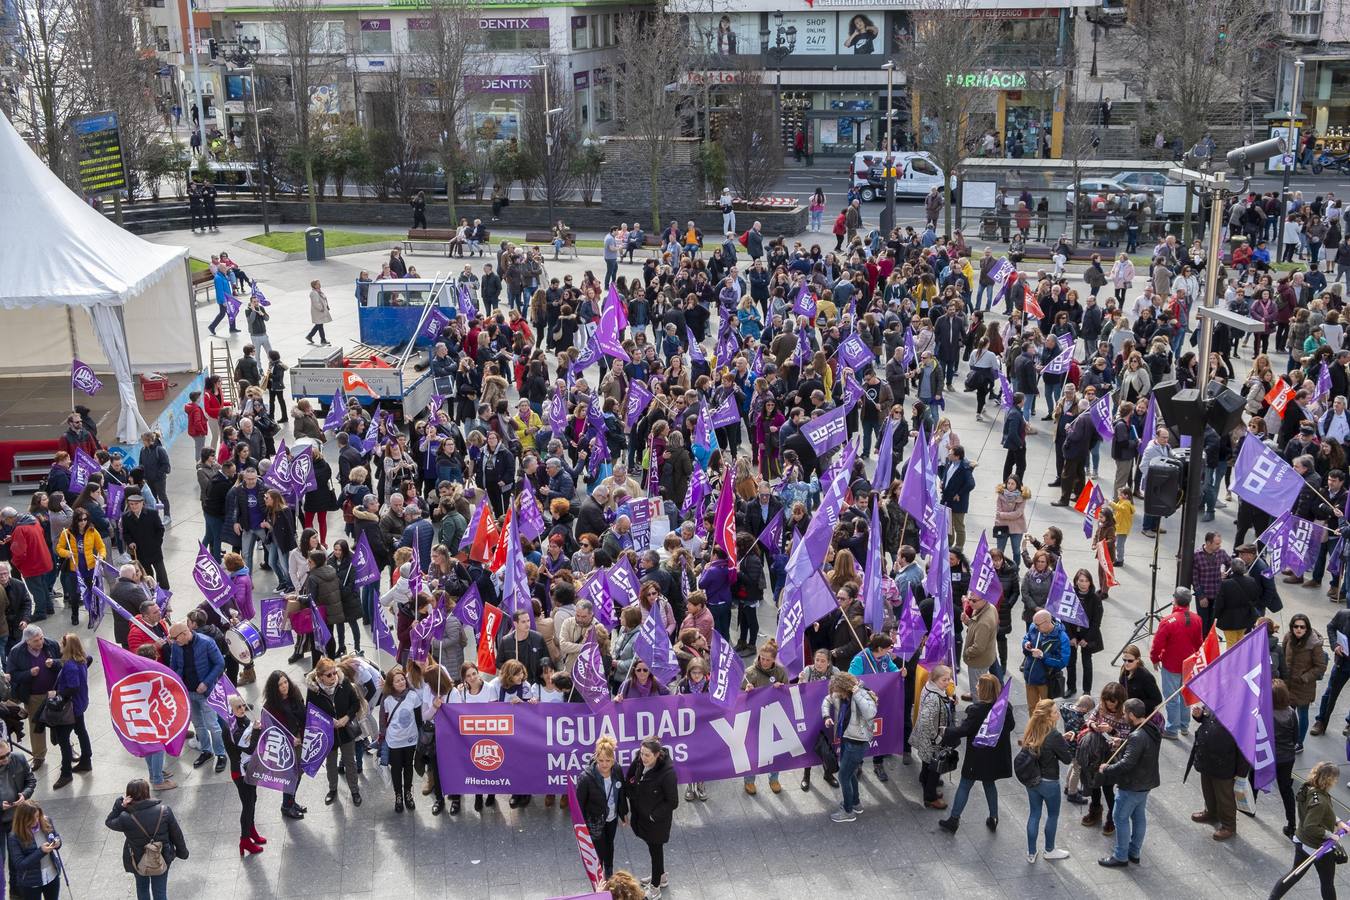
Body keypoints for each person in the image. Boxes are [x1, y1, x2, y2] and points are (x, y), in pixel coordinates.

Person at [938, 673, 1014, 834]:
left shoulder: (976, 710)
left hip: (977, 757)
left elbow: (964, 730)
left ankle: (954, 820)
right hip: (996, 756)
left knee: (965, 785)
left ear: (984, 690)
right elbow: (1011, 727)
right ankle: (994, 817)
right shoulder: (1005, 708)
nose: (977, 688)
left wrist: (946, 731)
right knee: (989, 783)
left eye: (979, 686)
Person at [1096, 697, 1161, 868]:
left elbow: (1127, 763)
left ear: (1132, 714)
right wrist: (1124, 743)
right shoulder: (1151, 728)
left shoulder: (1137, 735)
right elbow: (1140, 752)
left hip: (1132, 785)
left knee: (1120, 817)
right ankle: (1134, 852)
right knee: (1139, 817)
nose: (1123, 715)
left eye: (1125, 712)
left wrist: (1106, 768)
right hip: (1146, 783)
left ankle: (1120, 856)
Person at [1268, 760, 1348, 900]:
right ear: (1329, 780)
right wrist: (1330, 835)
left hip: (1302, 840)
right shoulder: (1321, 801)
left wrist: (1338, 822)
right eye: (1335, 778)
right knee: (1327, 883)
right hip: (1319, 847)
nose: (1336, 781)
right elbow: (1312, 825)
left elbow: (1319, 813)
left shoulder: (1308, 788)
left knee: (1294, 874)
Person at [105, 778, 189, 900]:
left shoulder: (125, 817)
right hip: (161, 856)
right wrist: (182, 852)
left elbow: (109, 822)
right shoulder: (164, 811)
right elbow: (176, 834)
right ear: (147, 792)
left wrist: (120, 805)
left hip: (137, 858)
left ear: (129, 795)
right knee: (160, 891)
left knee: (142, 887)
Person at [166, 622, 227, 774]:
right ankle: (206, 751)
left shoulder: (207, 642)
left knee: (213, 725)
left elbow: (220, 663)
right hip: (188, 693)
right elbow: (173, 666)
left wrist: (206, 683)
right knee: (198, 724)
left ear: (185, 634)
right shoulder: (176, 646)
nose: (173, 641)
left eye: (175, 638)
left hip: (205, 693)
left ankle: (221, 754)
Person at [1020, 698, 1075, 863]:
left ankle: (1031, 852)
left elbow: (1044, 745)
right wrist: (1066, 743)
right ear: (1048, 717)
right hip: (1049, 782)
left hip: (1032, 780)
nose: (1058, 714)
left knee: (1034, 814)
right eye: (1055, 712)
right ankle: (1049, 850)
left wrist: (1061, 740)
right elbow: (1066, 759)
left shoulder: (1031, 729)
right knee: (1052, 815)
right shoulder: (1054, 735)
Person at [623, 736, 678, 899]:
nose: (643, 758)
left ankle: (655, 887)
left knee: (655, 850)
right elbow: (631, 777)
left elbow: (673, 801)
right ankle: (660, 876)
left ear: (657, 755)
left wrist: (654, 816)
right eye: (642, 753)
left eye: (647, 755)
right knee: (654, 849)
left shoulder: (667, 774)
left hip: (656, 822)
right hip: (642, 816)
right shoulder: (640, 761)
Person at [306, 656, 362, 808]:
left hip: (346, 730)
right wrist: (327, 722)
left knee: (350, 761)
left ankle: (355, 791)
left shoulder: (343, 683)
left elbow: (355, 704)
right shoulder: (313, 691)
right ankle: (332, 789)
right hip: (326, 733)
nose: (333, 677)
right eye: (329, 675)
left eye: (335, 672)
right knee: (331, 763)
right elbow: (310, 713)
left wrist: (346, 718)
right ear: (319, 677)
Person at [1149, 587, 1203, 739]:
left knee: (1171, 698)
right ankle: (1184, 726)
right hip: (1189, 664)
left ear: (1175, 600)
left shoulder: (1168, 621)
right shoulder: (1197, 619)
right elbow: (1199, 642)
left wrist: (1155, 658)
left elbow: (1157, 644)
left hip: (1171, 664)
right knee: (1185, 695)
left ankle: (1172, 729)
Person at [575, 735, 626, 887]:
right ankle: (600, 878)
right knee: (599, 850)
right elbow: (579, 804)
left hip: (612, 818)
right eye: (601, 760)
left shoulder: (616, 770)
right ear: (596, 757)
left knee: (609, 844)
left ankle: (609, 872)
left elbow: (621, 793)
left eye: (608, 761)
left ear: (613, 760)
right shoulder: (586, 778)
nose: (605, 764)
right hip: (595, 821)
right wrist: (581, 828)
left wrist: (623, 814)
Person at [7, 625, 60, 771]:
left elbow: (64, 662)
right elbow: (12, 675)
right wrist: (29, 673)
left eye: (41, 638)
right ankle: (38, 756)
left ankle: (68, 748)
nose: (40, 642)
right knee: (36, 727)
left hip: (54, 692)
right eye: (36, 640)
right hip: (33, 696)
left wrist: (54, 663)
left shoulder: (51, 644)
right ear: (27, 641)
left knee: (62, 723)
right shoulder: (16, 652)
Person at [1188, 703, 1243, 842]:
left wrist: (1241, 771)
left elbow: (1245, 744)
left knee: (1224, 795)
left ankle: (1229, 825)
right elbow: (1206, 719)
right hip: (1207, 757)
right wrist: (1199, 716)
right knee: (1208, 788)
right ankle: (1211, 812)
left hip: (1224, 761)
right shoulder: (1214, 700)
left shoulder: (1240, 709)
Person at [222, 694, 267, 858]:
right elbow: (248, 747)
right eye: (238, 707)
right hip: (240, 772)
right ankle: (244, 840)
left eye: (243, 705)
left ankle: (251, 830)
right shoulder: (230, 729)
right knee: (247, 804)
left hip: (250, 768)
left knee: (252, 800)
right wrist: (256, 731)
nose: (242, 709)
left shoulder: (245, 720)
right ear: (231, 710)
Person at [49, 632, 92, 790]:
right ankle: (86, 760)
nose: (60, 646)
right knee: (81, 731)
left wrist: (57, 694)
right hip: (80, 704)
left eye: (62, 644)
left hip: (70, 708)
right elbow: (90, 659)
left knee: (63, 740)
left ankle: (65, 773)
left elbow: (73, 687)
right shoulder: (82, 660)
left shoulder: (70, 665)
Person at [381, 665, 424, 814]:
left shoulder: (413, 696)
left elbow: (419, 719)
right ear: (391, 684)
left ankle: (408, 794)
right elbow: (384, 719)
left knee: (408, 767)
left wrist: (421, 738)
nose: (401, 682)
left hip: (410, 739)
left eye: (402, 679)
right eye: (397, 681)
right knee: (396, 768)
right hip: (394, 741)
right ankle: (398, 795)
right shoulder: (387, 699)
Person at [912, 663, 956, 809]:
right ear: (935, 679)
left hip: (927, 739)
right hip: (932, 741)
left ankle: (927, 787)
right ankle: (930, 798)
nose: (948, 682)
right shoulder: (933, 697)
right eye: (944, 680)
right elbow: (926, 721)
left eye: (949, 679)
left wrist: (948, 701)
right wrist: (937, 738)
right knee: (934, 769)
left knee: (927, 765)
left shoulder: (932, 687)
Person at [1283, 613, 1327, 752]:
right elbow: (1283, 654)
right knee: (1287, 715)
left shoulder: (1314, 644)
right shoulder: (1288, 637)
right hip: (1288, 684)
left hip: (1303, 686)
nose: (1299, 629)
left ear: (1307, 628)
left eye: (1302, 626)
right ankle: (1288, 739)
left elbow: (1320, 667)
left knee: (1302, 715)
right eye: (1296, 626)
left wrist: (1304, 677)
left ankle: (1299, 742)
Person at [8, 799, 61, 899]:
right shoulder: (14, 837)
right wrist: (41, 851)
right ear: (22, 819)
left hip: (52, 875)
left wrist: (57, 842)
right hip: (30, 883)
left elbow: (55, 836)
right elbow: (20, 865)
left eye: (37, 816)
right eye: (31, 819)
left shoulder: (46, 821)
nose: (36, 821)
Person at [1021, 609, 1070, 708]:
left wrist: (1043, 656)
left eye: (1037, 625)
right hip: (1029, 676)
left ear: (1047, 622)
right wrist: (1026, 643)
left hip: (1046, 680)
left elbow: (1063, 662)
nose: (1035, 627)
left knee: (1046, 711)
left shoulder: (1062, 638)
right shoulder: (1034, 627)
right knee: (1032, 707)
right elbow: (1026, 637)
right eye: (1034, 624)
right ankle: (1034, 724)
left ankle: (1048, 724)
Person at [306, 280, 332, 345]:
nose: (319, 285)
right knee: (320, 325)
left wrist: (326, 306)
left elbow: (324, 299)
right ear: (314, 285)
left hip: (320, 311)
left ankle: (310, 336)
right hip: (318, 312)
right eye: (318, 284)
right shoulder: (313, 293)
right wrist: (321, 308)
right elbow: (316, 303)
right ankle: (323, 340)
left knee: (319, 325)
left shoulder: (319, 291)